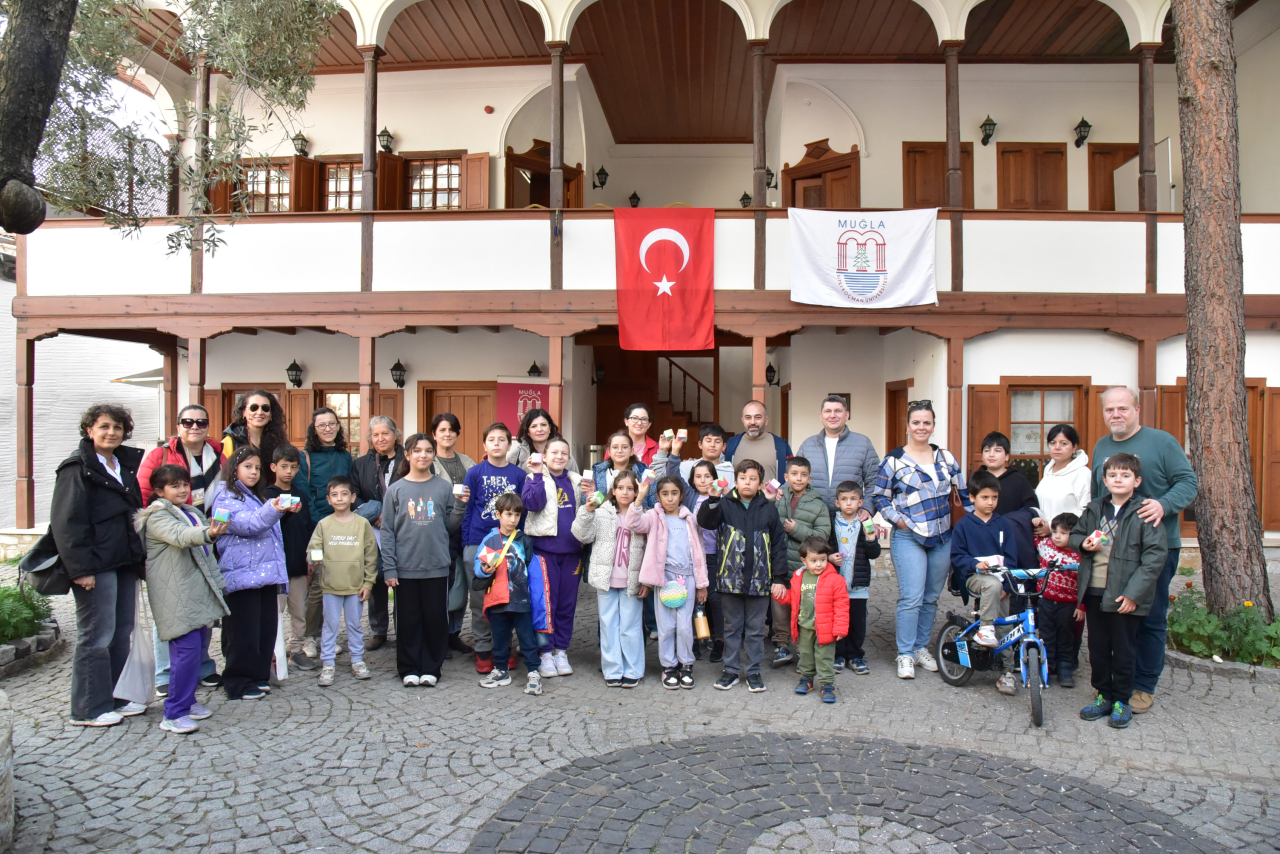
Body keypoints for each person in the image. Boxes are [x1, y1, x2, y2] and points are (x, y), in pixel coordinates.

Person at [1089, 387, 1198, 715]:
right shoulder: (1101, 447)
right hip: (1112, 552)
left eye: (1122, 408)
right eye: (1110, 410)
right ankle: (1114, 685)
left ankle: (1143, 685)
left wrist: (1163, 505)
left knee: (1148, 617)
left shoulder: (1162, 442)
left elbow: (1188, 483)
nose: (1116, 415)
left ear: (1136, 410)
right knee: (1115, 616)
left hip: (1156, 547)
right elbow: (1098, 496)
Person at [52, 404, 148, 727]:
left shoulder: (122, 466)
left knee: (122, 633)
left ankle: (117, 697)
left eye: (117, 427)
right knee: (96, 635)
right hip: (95, 566)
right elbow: (67, 523)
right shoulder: (76, 468)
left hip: (122, 561)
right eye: (104, 426)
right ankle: (88, 708)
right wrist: (80, 570)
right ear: (90, 430)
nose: (111, 432)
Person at [870, 401, 972, 681]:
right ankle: (904, 654)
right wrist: (898, 520)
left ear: (933, 426)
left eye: (927, 422)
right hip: (909, 535)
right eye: (916, 422)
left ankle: (920, 648)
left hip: (942, 537)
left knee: (930, 598)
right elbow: (879, 496)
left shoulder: (946, 458)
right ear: (907, 426)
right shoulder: (893, 460)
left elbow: (963, 495)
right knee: (911, 597)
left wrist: (978, 525)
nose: (921, 427)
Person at [1072, 452, 1168, 729]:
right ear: (1104, 480)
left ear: (1136, 480)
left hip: (1124, 593)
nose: (1118, 480)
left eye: (1125, 475)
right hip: (1094, 589)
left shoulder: (1144, 512)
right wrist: (1083, 544)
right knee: (1098, 647)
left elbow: (1154, 558)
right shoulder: (1094, 509)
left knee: (1124, 648)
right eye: (1113, 475)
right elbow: (1077, 535)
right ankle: (1103, 695)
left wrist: (1133, 594)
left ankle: (1122, 700)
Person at [135, 465, 229, 734]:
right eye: (174, 485)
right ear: (158, 491)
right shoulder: (157, 516)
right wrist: (209, 533)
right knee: (185, 653)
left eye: (185, 484)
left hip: (194, 592)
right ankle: (174, 712)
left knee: (197, 648)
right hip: (175, 594)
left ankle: (187, 702)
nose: (182, 489)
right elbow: (181, 536)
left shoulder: (189, 511)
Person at [209, 446, 295, 701]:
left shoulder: (254, 496)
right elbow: (249, 525)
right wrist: (276, 507)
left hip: (265, 573)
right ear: (233, 469)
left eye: (257, 467)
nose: (254, 472)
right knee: (243, 633)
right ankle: (238, 683)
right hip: (242, 576)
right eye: (248, 466)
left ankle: (258, 677)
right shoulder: (224, 497)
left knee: (264, 630)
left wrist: (281, 510)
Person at [382, 434, 466, 687]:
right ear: (407, 455)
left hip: (436, 567)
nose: (423, 455)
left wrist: (461, 506)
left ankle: (431, 667)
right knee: (408, 620)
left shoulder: (442, 487)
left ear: (433, 455)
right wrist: (389, 567)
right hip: (405, 568)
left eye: (428, 451)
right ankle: (408, 668)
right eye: (417, 451)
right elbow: (387, 531)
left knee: (435, 619)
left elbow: (449, 525)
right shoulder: (396, 490)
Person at [697, 459, 788, 693]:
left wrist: (778, 578)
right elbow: (705, 522)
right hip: (729, 579)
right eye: (743, 478)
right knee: (731, 627)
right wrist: (713, 499)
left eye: (753, 479)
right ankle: (730, 670)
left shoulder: (767, 508)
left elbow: (778, 543)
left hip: (760, 581)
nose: (747, 483)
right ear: (735, 480)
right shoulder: (725, 504)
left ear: (761, 483)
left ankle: (754, 671)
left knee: (756, 629)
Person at [624, 476, 709, 690]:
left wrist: (701, 583)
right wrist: (640, 496)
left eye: (674, 493)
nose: (670, 498)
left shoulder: (689, 519)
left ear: (681, 495)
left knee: (684, 627)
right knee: (666, 626)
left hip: (687, 578)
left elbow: (699, 553)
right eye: (665, 494)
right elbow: (633, 523)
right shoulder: (653, 516)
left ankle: (686, 665)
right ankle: (669, 666)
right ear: (659, 496)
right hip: (665, 579)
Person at [461, 422, 528, 673]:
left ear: (509, 445)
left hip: (508, 543)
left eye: (502, 440)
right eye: (491, 439)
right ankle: (483, 649)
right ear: (484, 444)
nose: (497, 444)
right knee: (479, 600)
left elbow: (524, 512)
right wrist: (467, 545)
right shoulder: (475, 473)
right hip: (480, 542)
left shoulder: (519, 475)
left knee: (505, 598)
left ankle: (504, 648)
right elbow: (468, 511)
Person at [572, 470, 647, 687]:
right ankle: (613, 669)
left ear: (636, 491)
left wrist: (647, 581)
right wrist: (586, 511)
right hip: (605, 578)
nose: (625, 492)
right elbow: (581, 535)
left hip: (632, 580)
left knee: (630, 626)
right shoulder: (602, 511)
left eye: (630, 488)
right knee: (608, 624)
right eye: (621, 488)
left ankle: (633, 668)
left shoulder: (641, 514)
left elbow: (650, 550)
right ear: (613, 490)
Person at [949, 470, 1022, 695]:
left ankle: (1007, 672)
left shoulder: (1004, 525)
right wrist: (973, 564)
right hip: (974, 578)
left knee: (1006, 625)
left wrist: (1007, 586)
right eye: (985, 497)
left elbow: (1012, 559)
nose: (990, 502)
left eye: (994, 498)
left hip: (1000, 582)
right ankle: (985, 629)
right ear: (972, 497)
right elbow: (957, 556)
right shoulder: (964, 525)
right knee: (990, 586)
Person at [474, 493, 551, 696]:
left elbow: (529, 567)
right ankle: (500, 670)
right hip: (498, 599)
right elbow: (479, 565)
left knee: (527, 638)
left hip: (521, 599)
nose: (513, 519)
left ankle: (534, 672)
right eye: (508, 514)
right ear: (498, 514)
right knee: (499, 638)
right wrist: (484, 569)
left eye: (517, 515)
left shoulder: (523, 540)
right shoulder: (491, 539)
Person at [520, 437, 584, 679]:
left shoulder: (576, 481)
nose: (559, 456)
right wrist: (536, 475)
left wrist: (590, 496)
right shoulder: (532, 478)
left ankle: (561, 650)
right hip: (544, 551)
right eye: (554, 452)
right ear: (544, 456)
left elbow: (588, 514)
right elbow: (532, 504)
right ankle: (545, 652)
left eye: (564, 453)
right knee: (545, 604)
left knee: (567, 605)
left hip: (573, 553)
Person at [308, 476, 378, 687]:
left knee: (355, 625)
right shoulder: (324, 524)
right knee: (329, 625)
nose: (340, 499)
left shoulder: (362, 524)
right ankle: (328, 663)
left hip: (356, 587)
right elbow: (314, 548)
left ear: (353, 497)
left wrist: (368, 584)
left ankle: (357, 660)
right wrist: (314, 559)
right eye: (335, 495)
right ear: (329, 499)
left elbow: (371, 555)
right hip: (330, 586)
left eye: (344, 494)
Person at [770, 456, 832, 670]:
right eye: (794, 474)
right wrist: (770, 499)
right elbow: (766, 519)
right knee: (779, 604)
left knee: (804, 608)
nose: (799, 478)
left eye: (803, 474)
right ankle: (781, 645)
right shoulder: (779, 498)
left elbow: (822, 537)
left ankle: (803, 649)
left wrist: (796, 530)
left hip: (804, 568)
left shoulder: (818, 504)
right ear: (786, 477)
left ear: (809, 477)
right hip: (779, 564)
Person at [351, 415, 405, 652]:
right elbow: (353, 494)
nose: (381, 438)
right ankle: (379, 630)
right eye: (375, 435)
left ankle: (403, 628)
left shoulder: (408, 459)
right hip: (372, 530)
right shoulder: (360, 464)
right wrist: (373, 515)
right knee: (377, 577)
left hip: (403, 529)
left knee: (402, 581)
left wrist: (392, 517)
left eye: (385, 433)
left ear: (395, 434)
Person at [775, 536, 849, 704]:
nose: (818, 564)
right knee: (806, 654)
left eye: (822, 560)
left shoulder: (836, 580)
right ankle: (806, 679)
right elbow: (794, 598)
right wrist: (780, 596)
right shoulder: (799, 577)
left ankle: (827, 684)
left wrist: (840, 629)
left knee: (825, 656)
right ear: (804, 561)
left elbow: (842, 606)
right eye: (814, 560)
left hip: (826, 628)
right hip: (805, 626)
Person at [264, 445, 316, 671]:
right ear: (274, 467)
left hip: (298, 565)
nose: (289, 472)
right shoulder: (267, 495)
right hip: (275, 567)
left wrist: (312, 559)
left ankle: (296, 650)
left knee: (299, 612)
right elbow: (267, 527)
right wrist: (283, 512)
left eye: (293, 467)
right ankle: (271, 653)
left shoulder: (301, 496)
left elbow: (309, 531)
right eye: (284, 466)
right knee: (274, 613)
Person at [430, 413, 476, 656]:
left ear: (457, 434)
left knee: (460, 584)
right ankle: (438, 637)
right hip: (439, 529)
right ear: (434, 434)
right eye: (442, 429)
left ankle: (454, 635)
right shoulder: (429, 462)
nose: (447, 434)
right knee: (442, 585)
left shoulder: (467, 462)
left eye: (452, 430)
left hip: (465, 529)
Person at [828, 481, 881, 675]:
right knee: (838, 620)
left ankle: (856, 655)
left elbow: (874, 553)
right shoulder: (831, 521)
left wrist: (870, 538)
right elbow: (825, 545)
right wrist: (829, 557)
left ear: (860, 502)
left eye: (853, 499)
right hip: (837, 584)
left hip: (857, 584)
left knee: (857, 621)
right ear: (837, 502)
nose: (848, 503)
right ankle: (838, 654)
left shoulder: (864, 522)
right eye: (844, 499)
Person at [797, 396, 880, 515]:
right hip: (813, 519)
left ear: (846, 415)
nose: (832, 415)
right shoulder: (808, 445)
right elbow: (794, 478)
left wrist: (867, 508)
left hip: (850, 519)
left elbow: (874, 480)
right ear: (821, 416)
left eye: (838, 411)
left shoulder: (863, 443)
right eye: (828, 411)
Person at [138, 404, 225, 509]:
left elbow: (231, 492)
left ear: (208, 427)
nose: (195, 427)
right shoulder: (159, 455)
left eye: (201, 423)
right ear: (178, 428)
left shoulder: (220, 455)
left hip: (216, 522)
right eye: (187, 423)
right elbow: (143, 495)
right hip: (173, 521)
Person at [976, 431, 1038, 569]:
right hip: (982, 539)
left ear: (1007, 456)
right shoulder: (976, 479)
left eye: (997, 450)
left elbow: (1031, 508)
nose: (991, 454)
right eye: (987, 450)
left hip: (1013, 540)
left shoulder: (1018, 480)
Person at [1036, 512, 1083, 687]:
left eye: (1063, 533)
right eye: (1055, 531)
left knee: (1066, 638)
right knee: (1046, 635)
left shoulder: (1079, 556)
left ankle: (1065, 669)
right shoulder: (1045, 545)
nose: (1057, 536)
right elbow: (1032, 536)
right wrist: (1035, 519)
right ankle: (1047, 667)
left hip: (1068, 605)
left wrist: (1081, 606)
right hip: (1046, 601)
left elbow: (1084, 583)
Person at [1031, 425, 1092, 534]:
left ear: (1074, 448)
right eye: (1053, 443)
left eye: (1064, 443)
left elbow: (1085, 512)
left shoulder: (1082, 474)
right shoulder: (1048, 470)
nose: (1057, 447)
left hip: (1067, 539)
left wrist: (1051, 527)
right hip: (1042, 539)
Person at [298, 407, 355, 521]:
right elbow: (303, 493)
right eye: (322, 425)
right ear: (314, 429)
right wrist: (318, 520)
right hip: (315, 520)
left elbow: (351, 487)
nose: (328, 429)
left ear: (338, 426)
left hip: (343, 518)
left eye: (331, 424)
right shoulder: (304, 457)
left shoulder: (345, 456)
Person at [220, 390, 287, 486]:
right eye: (254, 408)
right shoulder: (230, 441)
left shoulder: (278, 440)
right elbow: (224, 477)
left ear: (271, 414)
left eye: (265, 408)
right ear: (244, 412)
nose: (259, 412)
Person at [724, 401, 792, 486]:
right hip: (736, 499)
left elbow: (791, 477)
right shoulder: (730, 445)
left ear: (766, 420)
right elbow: (719, 472)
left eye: (758, 417)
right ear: (743, 421)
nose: (752, 422)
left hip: (771, 499)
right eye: (748, 417)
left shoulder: (781, 446)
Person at [651, 423, 733, 483]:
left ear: (724, 447)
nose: (712, 445)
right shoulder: (689, 466)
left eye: (717, 441)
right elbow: (660, 478)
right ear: (700, 444)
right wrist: (662, 450)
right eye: (708, 441)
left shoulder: (729, 469)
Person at [508, 407, 579, 473]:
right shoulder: (516, 455)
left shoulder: (563, 454)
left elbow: (575, 482)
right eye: (534, 426)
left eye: (543, 425)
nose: (539, 429)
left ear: (550, 428)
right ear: (527, 431)